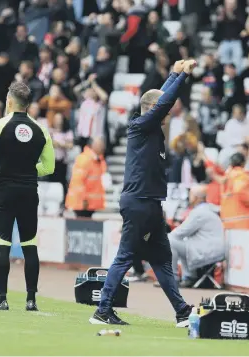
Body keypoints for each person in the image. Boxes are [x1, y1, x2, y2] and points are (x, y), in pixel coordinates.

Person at [89, 59, 197, 327]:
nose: (168, 116)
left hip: (150, 204)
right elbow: (162, 103)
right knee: (125, 256)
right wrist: (182, 77)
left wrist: (173, 74)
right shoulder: (140, 125)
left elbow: (158, 99)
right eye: (162, 111)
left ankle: (182, 310)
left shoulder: (148, 125)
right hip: (139, 203)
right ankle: (102, 310)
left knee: (161, 259)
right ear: (151, 110)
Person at [0, 82, 55, 311]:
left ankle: (2, 299)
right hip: (29, 191)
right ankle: (31, 300)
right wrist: (28, 173)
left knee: (3, 243)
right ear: (28, 104)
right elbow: (49, 167)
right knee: (30, 244)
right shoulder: (41, 130)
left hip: (3, 190)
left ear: (9, 102)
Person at [167, 185, 225, 287]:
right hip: (214, 250)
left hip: (207, 250)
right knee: (183, 243)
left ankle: (172, 279)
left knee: (170, 240)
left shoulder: (199, 213)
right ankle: (188, 277)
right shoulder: (207, 210)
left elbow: (180, 233)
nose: (189, 197)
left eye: (191, 195)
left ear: (196, 197)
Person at [65, 136, 108, 218]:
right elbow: (78, 182)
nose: (103, 147)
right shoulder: (85, 159)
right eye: (100, 145)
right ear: (93, 146)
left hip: (89, 204)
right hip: (82, 203)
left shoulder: (97, 159)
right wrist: (83, 199)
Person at [220, 152, 249, 230]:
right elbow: (239, 190)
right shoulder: (242, 176)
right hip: (243, 220)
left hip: (228, 219)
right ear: (243, 163)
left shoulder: (227, 177)